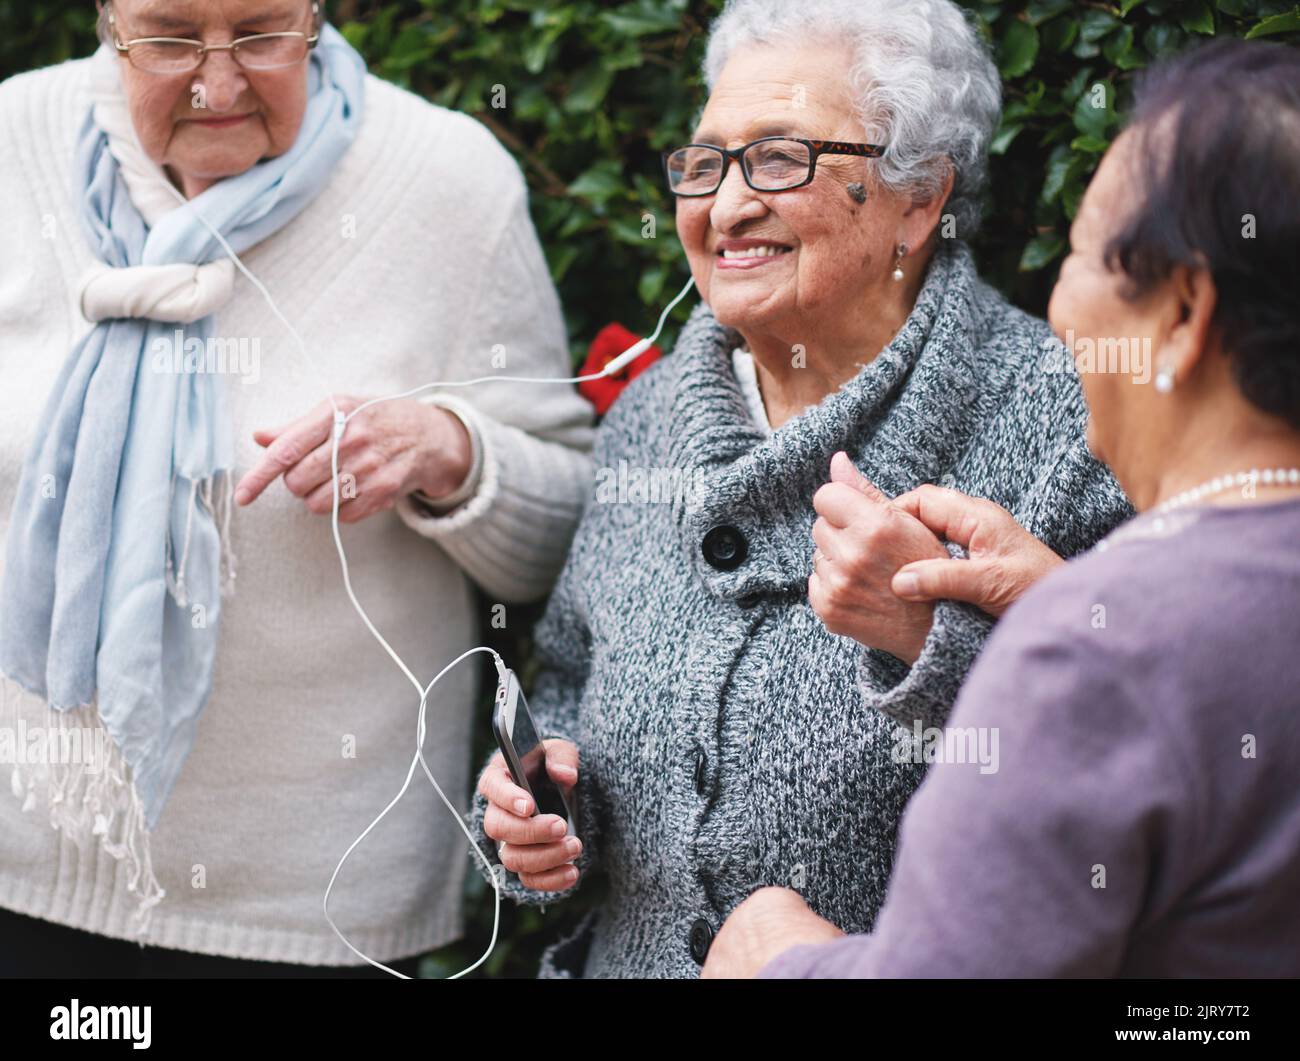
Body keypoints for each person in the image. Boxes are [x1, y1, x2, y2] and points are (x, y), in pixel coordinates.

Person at [466, 0, 1131, 979]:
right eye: (704, 163)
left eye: (779, 158)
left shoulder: (1067, 426)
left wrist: (930, 643)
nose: (724, 206)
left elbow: (1137, 778)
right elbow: (564, 671)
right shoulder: (648, 420)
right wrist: (548, 803)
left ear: (918, 197)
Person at [0, 0, 593, 977]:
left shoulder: (448, 181)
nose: (219, 83)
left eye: (264, 33)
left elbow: (562, 540)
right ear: (106, 16)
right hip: (20, 865)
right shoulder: (15, 142)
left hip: (312, 906)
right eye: (171, 36)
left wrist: (449, 451)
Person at [706, 37, 1300, 979]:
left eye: (1079, 254)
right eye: (705, 163)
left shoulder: (1093, 642)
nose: (1058, 306)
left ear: (1182, 316)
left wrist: (777, 961)